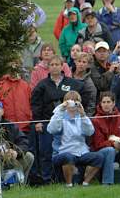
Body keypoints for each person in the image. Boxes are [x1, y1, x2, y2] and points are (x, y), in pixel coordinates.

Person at [30, 56, 84, 184]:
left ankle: (64, 179)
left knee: (66, 151)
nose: (54, 66)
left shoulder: (71, 83)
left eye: (57, 64)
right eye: (52, 64)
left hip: (68, 123)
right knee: (46, 152)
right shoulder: (42, 84)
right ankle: (47, 179)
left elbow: (81, 93)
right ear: (48, 67)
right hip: (47, 123)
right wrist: (37, 121)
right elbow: (35, 104)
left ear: (62, 66)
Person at [47, 91, 102, 187]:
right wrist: (60, 110)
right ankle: (69, 185)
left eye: (75, 101)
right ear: (64, 102)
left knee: (98, 157)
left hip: (81, 152)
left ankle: (85, 183)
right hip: (63, 152)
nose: (72, 104)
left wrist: (83, 115)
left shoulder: (80, 116)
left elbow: (90, 132)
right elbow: (51, 129)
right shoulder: (59, 115)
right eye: (69, 101)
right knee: (68, 157)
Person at [90, 92, 120, 184]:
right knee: (110, 150)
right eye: (103, 102)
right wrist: (112, 144)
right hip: (102, 151)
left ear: (113, 103)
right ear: (100, 104)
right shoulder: (96, 120)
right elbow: (97, 144)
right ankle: (107, 182)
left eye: (108, 102)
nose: (106, 105)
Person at [0, 101, 35, 186]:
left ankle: (20, 185)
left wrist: (16, 152)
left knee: (29, 156)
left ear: (2, 111)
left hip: (11, 157)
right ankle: (0, 185)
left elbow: (23, 141)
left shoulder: (9, 126)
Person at [0, 60, 33, 134]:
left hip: (25, 126)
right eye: (11, 64)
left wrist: (30, 118)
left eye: (16, 64)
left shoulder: (25, 85)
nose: (14, 67)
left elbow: (31, 103)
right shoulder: (0, 85)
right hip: (7, 127)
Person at [71, 52, 97, 117]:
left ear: (88, 65)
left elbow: (91, 105)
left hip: (80, 116)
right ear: (75, 62)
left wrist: (85, 118)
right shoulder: (68, 75)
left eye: (84, 62)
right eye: (79, 61)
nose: (81, 64)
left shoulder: (89, 84)